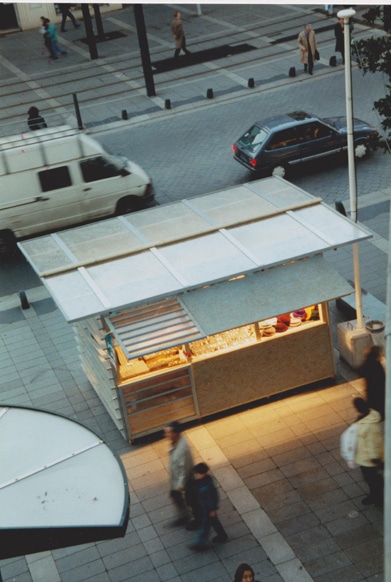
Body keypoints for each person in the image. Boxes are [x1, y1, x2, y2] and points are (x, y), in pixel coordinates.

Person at [164, 421, 201, 528]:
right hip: (176, 479)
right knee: (175, 496)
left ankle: (198, 520)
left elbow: (185, 469)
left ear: (176, 433)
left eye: (168, 433)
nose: (166, 435)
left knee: (192, 501)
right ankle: (184, 516)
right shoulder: (175, 442)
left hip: (184, 480)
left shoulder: (183, 449)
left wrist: (180, 485)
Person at [188, 462, 228, 551]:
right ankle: (222, 535)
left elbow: (213, 497)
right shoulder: (204, 481)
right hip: (206, 507)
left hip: (208, 508)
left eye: (196, 473)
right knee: (214, 522)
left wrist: (213, 509)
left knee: (205, 526)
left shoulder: (206, 486)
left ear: (200, 473)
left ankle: (200, 543)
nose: (196, 475)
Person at [353, 397, 384, 507]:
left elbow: (372, 442)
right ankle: (376, 496)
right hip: (365, 456)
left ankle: (377, 498)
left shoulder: (367, 424)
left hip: (368, 459)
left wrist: (374, 458)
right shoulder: (368, 417)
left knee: (372, 480)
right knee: (372, 479)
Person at [359, 345, 386, 420]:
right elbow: (381, 381)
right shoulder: (375, 367)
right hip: (378, 394)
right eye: (381, 354)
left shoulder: (368, 364)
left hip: (371, 394)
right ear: (376, 356)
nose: (382, 355)